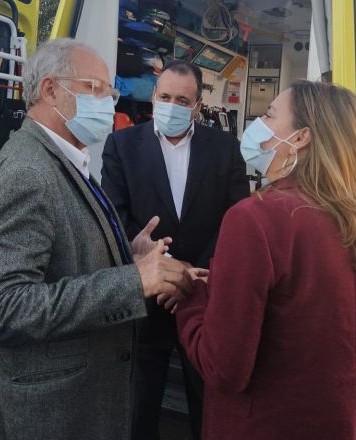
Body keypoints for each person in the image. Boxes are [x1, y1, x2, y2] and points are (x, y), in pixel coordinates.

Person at [0, 38, 195, 440]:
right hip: (34, 415)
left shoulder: (65, 157)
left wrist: (126, 256)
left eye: (110, 91)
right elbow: (1, 308)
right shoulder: (28, 173)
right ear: (50, 90)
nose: (108, 102)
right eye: (94, 88)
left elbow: (61, 254)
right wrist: (134, 281)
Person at [175, 80, 356, 439]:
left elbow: (224, 368)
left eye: (269, 114)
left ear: (300, 138)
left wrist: (190, 294)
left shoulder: (255, 219)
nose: (257, 122)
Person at [101, 60, 249, 439]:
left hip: (204, 294)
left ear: (198, 106)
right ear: (153, 96)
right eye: (164, 96)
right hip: (149, 297)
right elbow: (115, 215)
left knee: (207, 398)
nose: (171, 105)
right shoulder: (121, 145)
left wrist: (193, 275)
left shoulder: (225, 148)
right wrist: (165, 268)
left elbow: (236, 220)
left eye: (182, 100)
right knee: (141, 398)